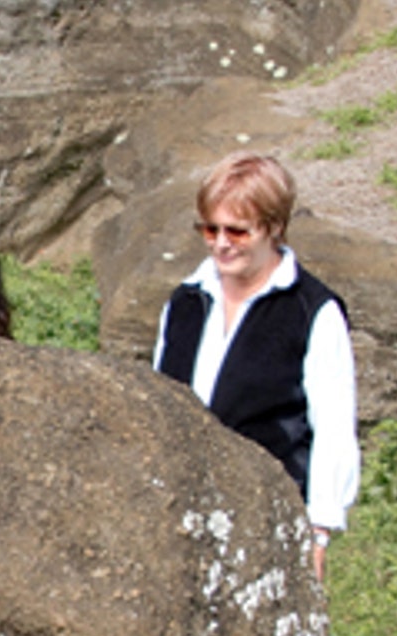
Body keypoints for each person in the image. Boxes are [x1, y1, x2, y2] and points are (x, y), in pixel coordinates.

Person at [151, 151, 359, 583]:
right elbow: (157, 403)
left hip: (269, 514)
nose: (221, 243)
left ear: (274, 227)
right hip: (181, 509)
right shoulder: (185, 301)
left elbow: (334, 428)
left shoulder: (313, 312)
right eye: (210, 229)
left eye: (238, 231)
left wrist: (318, 531)